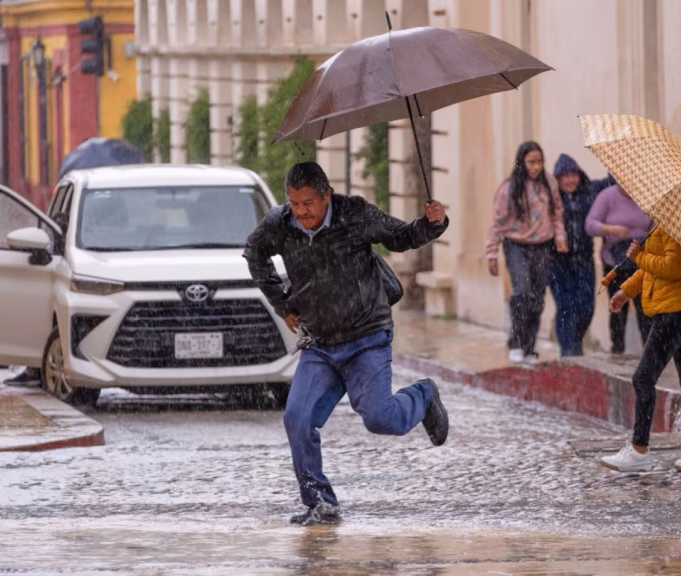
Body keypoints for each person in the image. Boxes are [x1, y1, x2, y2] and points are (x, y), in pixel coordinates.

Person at [243, 162, 450, 526]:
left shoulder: (353, 213)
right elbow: (254, 254)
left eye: (308, 203)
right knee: (297, 418)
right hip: (320, 345)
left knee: (381, 418)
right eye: (294, 203)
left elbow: (400, 237)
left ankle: (424, 396)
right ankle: (319, 503)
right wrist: (283, 304)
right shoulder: (280, 223)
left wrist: (432, 223)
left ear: (326, 196)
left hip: (366, 339)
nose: (301, 212)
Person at [600, 228, 681, 473]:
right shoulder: (664, 224)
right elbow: (653, 271)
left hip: (675, 314)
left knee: (643, 379)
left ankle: (639, 450)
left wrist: (639, 257)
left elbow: (673, 267)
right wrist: (627, 291)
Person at [486, 141, 567, 365]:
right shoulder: (509, 188)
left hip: (543, 246)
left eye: (539, 162)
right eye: (531, 162)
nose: (536, 167)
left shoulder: (549, 183)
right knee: (521, 291)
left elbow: (557, 213)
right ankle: (516, 342)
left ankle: (530, 346)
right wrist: (491, 254)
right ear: (522, 162)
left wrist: (560, 238)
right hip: (516, 246)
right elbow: (497, 222)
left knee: (537, 298)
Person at [548, 154, 615, 357]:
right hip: (557, 262)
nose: (570, 180)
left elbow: (610, 182)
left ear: (579, 175)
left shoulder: (590, 191)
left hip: (585, 260)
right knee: (565, 306)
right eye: (564, 176)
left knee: (587, 306)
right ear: (558, 179)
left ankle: (574, 341)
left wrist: (615, 163)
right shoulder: (550, 198)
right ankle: (568, 350)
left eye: (573, 175)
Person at [586, 182, 654, 353]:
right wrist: (610, 229)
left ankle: (651, 351)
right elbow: (590, 225)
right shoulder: (607, 197)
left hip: (641, 259)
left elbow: (655, 225)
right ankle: (618, 349)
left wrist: (648, 238)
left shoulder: (648, 197)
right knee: (618, 307)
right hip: (615, 261)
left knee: (645, 306)